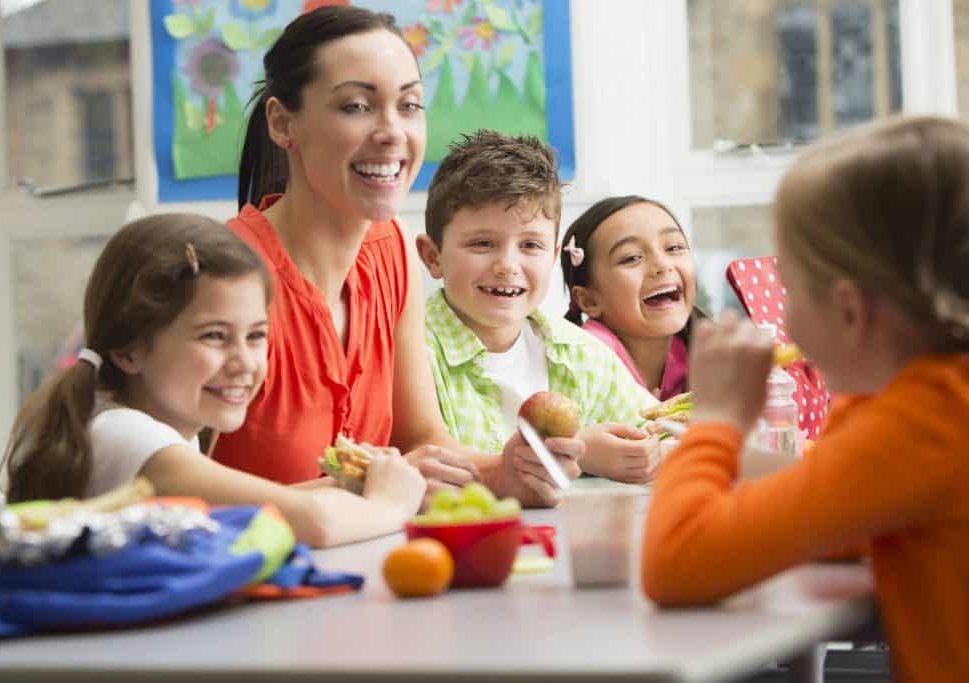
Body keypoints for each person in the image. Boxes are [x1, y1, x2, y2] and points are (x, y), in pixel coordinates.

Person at [641, 116, 969, 682]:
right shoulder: (932, 404)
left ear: (848, 311)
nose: (781, 316)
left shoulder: (923, 419)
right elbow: (834, 512)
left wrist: (715, 423)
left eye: (790, 287)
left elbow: (676, 564)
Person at [213, 6, 579, 506]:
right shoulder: (220, 275)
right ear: (282, 123)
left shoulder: (390, 251)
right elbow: (168, 495)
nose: (392, 133)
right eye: (356, 107)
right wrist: (369, 487)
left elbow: (420, 440)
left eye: (408, 105)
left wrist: (503, 471)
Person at [0, 214, 426, 548]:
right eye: (214, 336)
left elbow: (240, 509)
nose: (244, 362)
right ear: (128, 350)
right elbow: (310, 523)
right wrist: (389, 505)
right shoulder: (126, 436)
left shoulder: (152, 429)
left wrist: (348, 483)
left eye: (257, 335)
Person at [415, 130, 660, 484]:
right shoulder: (413, 354)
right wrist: (581, 451)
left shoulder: (581, 355)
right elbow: (425, 467)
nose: (507, 265)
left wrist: (648, 454)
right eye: (482, 243)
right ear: (432, 256)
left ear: (553, 255)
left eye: (530, 245)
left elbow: (660, 431)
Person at [560, 196, 700, 400]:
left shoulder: (697, 350)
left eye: (674, 248)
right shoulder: (583, 364)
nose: (662, 265)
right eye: (632, 257)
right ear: (589, 301)